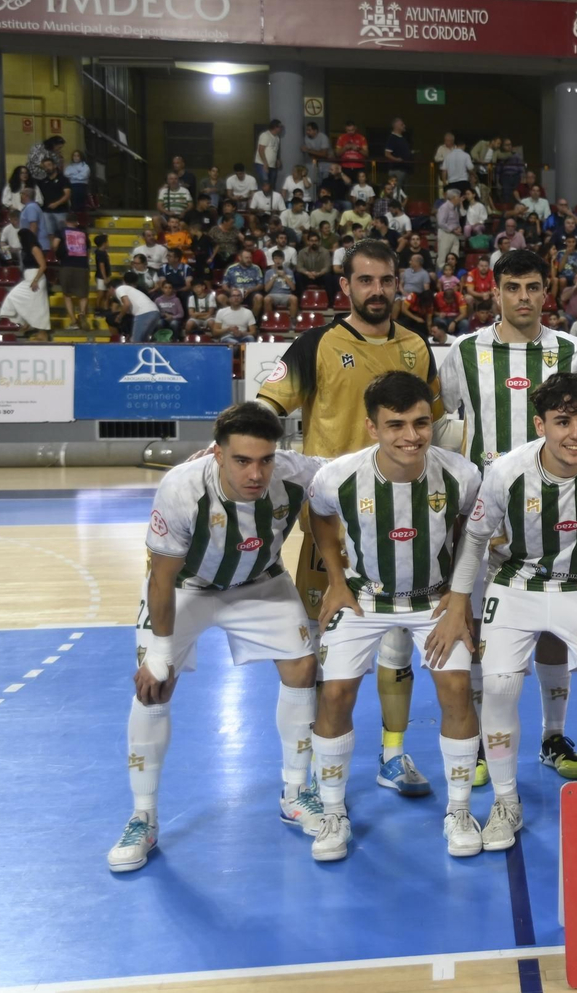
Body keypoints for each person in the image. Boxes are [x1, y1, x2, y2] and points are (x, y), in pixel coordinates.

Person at [258, 239, 446, 795]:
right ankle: (317, 766)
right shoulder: (315, 344)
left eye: (386, 281)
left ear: (398, 285)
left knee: (397, 643)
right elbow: (270, 406)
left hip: (405, 519)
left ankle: (393, 755)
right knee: (321, 645)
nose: (377, 291)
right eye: (365, 281)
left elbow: (432, 424)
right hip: (331, 521)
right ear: (345, 287)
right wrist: (232, 439)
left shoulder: (416, 346)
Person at [105, 403, 325, 873]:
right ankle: (143, 816)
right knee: (154, 688)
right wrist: (161, 653)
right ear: (217, 455)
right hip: (187, 588)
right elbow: (161, 579)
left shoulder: (294, 472)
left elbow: (352, 473)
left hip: (261, 583)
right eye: (242, 460)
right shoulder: (182, 488)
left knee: (304, 667)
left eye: (265, 459)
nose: (256, 472)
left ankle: (295, 792)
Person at [443, 373, 577, 850]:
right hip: (517, 584)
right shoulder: (508, 471)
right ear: (540, 424)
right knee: (498, 686)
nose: (575, 434)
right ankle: (505, 801)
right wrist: (457, 603)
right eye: (562, 422)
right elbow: (474, 539)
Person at [306, 372, 482, 861]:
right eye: (396, 425)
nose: (411, 436)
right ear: (371, 427)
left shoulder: (461, 475)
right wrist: (337, 581)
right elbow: (318, 514)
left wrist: (459, 595)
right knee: (336, 693)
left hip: (435, 600)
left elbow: (473, 530)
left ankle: (460, 810)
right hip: (364, 598)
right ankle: (333, 810)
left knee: (456, 690)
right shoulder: (338, 475)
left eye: (421, 423)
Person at [254, 119, 283, 190]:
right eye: (280, 127)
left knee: (272, 184)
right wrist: (265, 163)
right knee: (264, 183)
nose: (281, 128)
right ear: (275, 127)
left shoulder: (277, 138)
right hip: (262, 164)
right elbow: (261, 150)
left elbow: (275, 150)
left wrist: (277, 159)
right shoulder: (265, 135)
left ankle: (271, 200)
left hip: (272, 165)